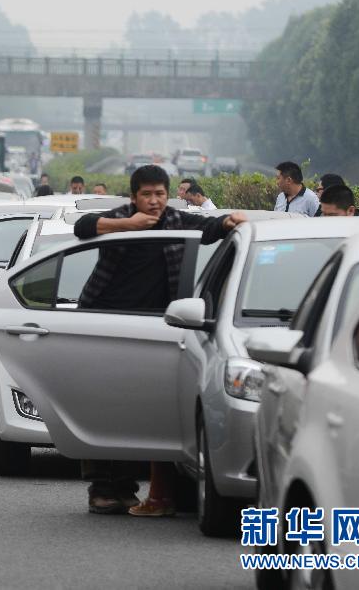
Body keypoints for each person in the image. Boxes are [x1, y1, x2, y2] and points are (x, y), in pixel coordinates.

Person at [73, 165, 246, 517]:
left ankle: (129, 487)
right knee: (106, 407)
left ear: (168, 195)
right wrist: (129, 225)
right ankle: (102, 489)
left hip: (157, 330)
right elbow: (83, 227)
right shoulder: (120, 217)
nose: (154, 201)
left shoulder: (177, 221)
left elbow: (210, 227)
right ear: (134, 196)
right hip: (107, 325)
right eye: (147, 195)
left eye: (160, 194)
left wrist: (230, 221)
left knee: (139, 410)